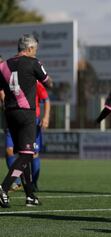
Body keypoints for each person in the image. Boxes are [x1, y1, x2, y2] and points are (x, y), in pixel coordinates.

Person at [0, 34, 53, 208]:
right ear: (29, 49)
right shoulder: (34, 62)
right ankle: (4, 188)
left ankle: (30, 195)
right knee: (27, 154)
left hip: (9, 113)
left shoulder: (4, 65)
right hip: (26, 113)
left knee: (23, 154)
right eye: (35, 50)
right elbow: (48, 83)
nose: (35, 52)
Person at [3, 81, 50, 192]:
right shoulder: (10, 80)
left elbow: (46, 99)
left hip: (32, 120)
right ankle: (16, 181)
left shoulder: (34, 82)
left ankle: (32, 184)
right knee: (10, 151)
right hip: (13, 119)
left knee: (31, 154)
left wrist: (46, 117)